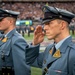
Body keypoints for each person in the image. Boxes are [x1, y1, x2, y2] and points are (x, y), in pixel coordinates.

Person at [25, 5, 75, 75]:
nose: (45, 28)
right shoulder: (49, 49)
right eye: (44, 24)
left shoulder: (73, 53)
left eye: (49, 23)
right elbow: (31, 61)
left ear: (62, 25)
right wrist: (35, 44)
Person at [0, 8, 31, 75]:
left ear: (10, 22)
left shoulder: (17, 41)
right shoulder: (3, 37)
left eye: (1, 20)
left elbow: (22, 70)